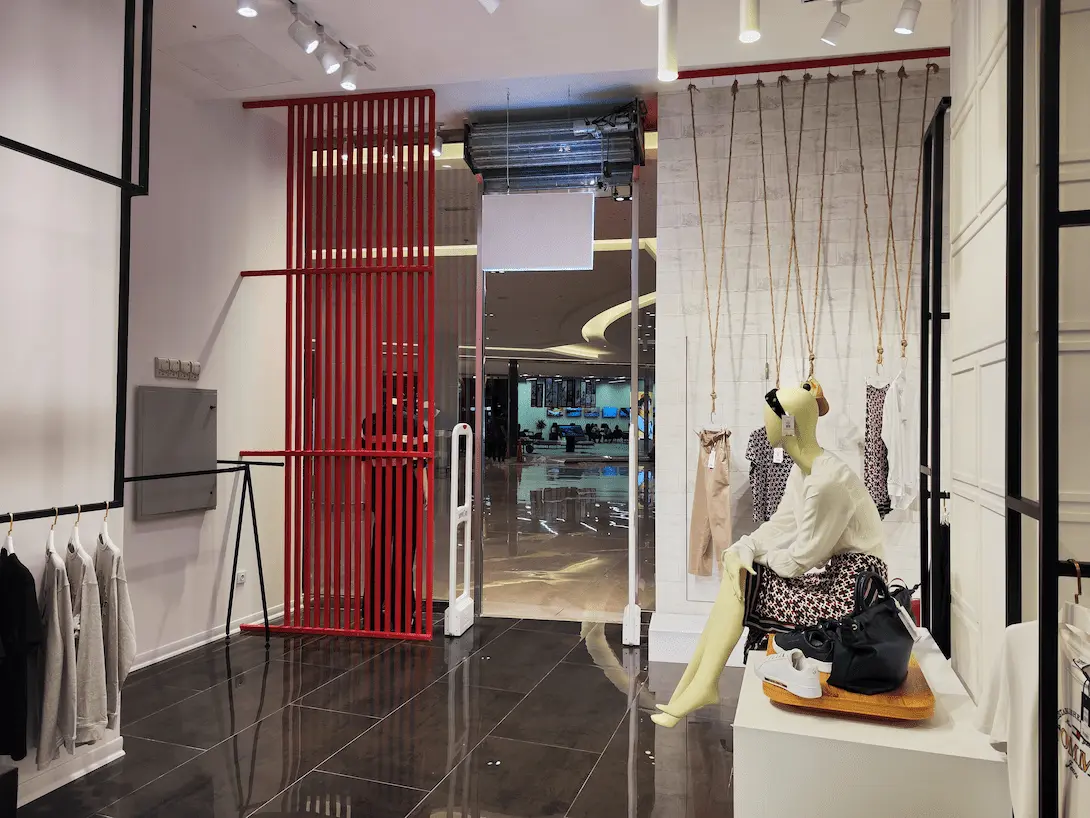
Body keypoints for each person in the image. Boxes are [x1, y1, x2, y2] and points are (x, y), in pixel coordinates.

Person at [652, 379, 886, 726]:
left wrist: (753, 561)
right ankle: (694, 683)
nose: (764, 427)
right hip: (838, 578)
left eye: (770, 419)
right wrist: (743, 548)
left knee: (745, 579)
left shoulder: (826, 482)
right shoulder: (805, 470)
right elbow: (780, 525)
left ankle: (702, 684)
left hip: (855, 595)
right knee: (739, 570)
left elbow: (800, 559)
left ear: (788, 423)